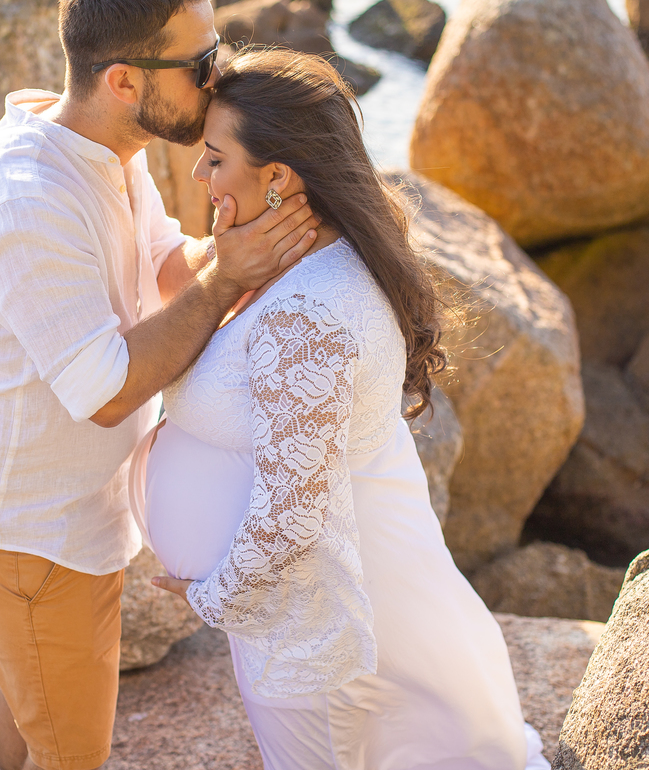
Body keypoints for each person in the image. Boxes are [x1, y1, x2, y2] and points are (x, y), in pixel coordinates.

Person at [0, 0, 319, 768]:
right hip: (33, 539)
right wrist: (227, 278)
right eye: (201, 61)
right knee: (73, 754)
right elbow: (105, 390)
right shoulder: (27, 199)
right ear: (125, 80)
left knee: (29, 704)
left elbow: (170, 267)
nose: (220, 76)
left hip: (60, 524)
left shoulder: (110, 149)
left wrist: (279, 253)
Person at [138, 48, 550, 769]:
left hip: (323, 631)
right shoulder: (301, 265)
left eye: (214, 158)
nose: (200, 177)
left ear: (279, 178)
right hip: (309, 611)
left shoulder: (311, 313)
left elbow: (295, 514)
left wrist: (211, 596)